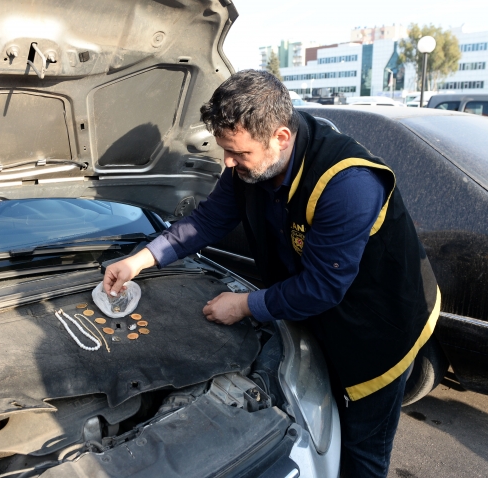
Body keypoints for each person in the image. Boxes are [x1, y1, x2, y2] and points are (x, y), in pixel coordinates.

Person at [103, 70, 439, 478]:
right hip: (323, 307)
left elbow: (321, 287)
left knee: (361, 448)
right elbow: (208, 220)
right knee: (319, 420)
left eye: (238, 154)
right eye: (226, 150)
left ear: (281, 137)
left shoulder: (348, 184)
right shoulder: (252, 164)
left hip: (380, 325)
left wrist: (245, 305)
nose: (228, 163)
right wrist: (140, 260)